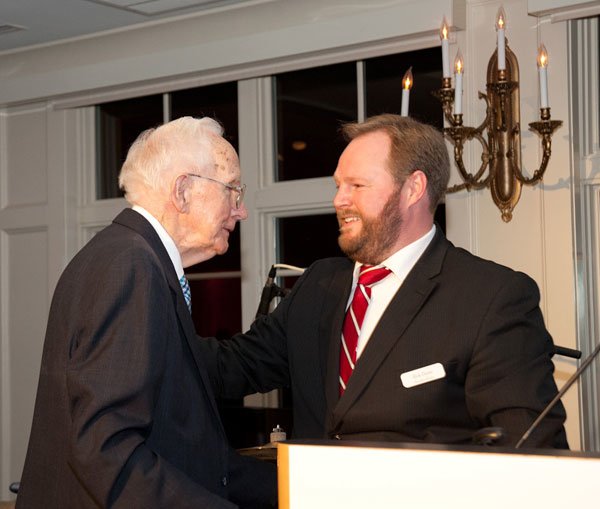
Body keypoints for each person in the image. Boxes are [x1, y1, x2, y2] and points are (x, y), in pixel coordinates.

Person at [199, 114, 568, 448]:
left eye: (357, 185)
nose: (339, 200)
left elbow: (531, 450)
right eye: (338, 185)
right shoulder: (319, 284)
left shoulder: (491, 297)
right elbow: (233, 367)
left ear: (413, 188)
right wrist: (153, 298)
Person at [17, 117, 277, 508]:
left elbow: (186, 450)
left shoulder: (126, 255)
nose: (240, 211)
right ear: (183, 191)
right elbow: (106, 451)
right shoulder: (131, 266)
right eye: (233, 190)